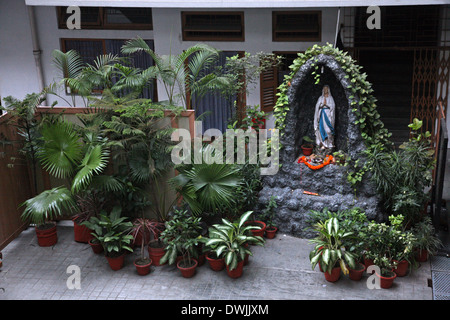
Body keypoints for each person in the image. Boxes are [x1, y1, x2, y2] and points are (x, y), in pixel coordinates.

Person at [314, 85, 335, 150]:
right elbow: (317, 106)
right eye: (324, 89)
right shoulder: (320, 98)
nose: (325, 90)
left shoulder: (330, 98)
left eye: (326, 89)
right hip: (321, 114)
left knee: (328, 130)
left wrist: (326, 104)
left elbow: (333, 107)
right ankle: (322, 143)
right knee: (321, 129)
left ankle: (328, 144)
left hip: (328, 114)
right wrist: (322, 105)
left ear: (328, 90)